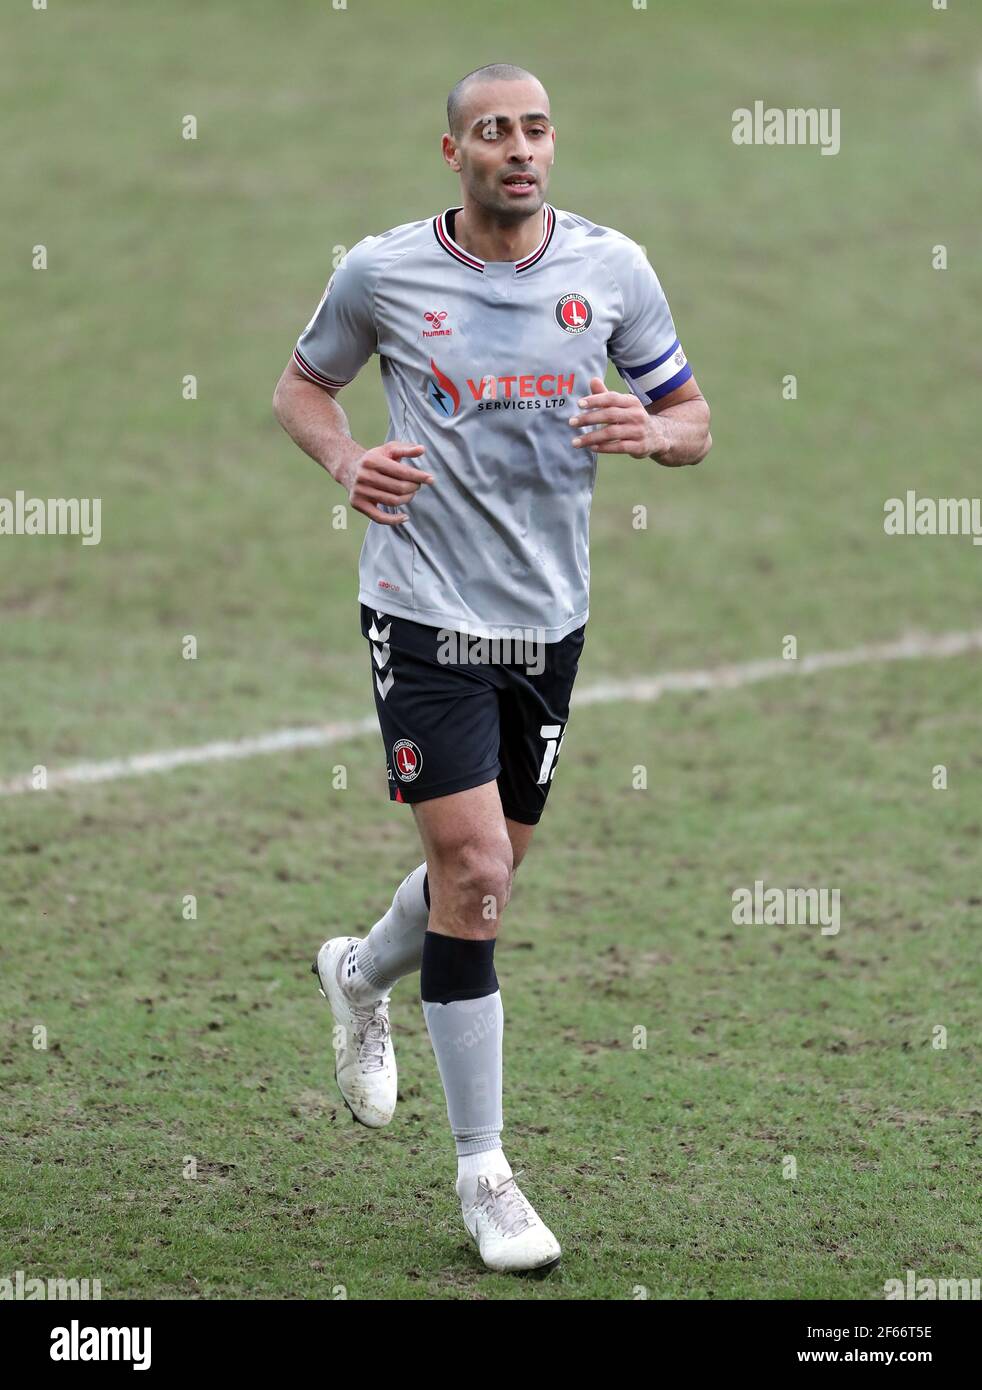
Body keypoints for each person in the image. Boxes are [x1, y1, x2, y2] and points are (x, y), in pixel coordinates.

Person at [273, 62, 712, 1274]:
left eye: (533, 129)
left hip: (547, 626)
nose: (517, 148)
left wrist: (651, 432)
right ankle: (486, 1174)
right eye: (491, 132)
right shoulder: (382, 272)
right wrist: (345, 463)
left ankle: (358, 974)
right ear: (453, 152)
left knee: (490, 872)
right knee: (472, 872)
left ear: (552, 145)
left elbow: (693, 418)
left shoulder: (611, 270)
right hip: (420, 612)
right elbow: (303, 387)